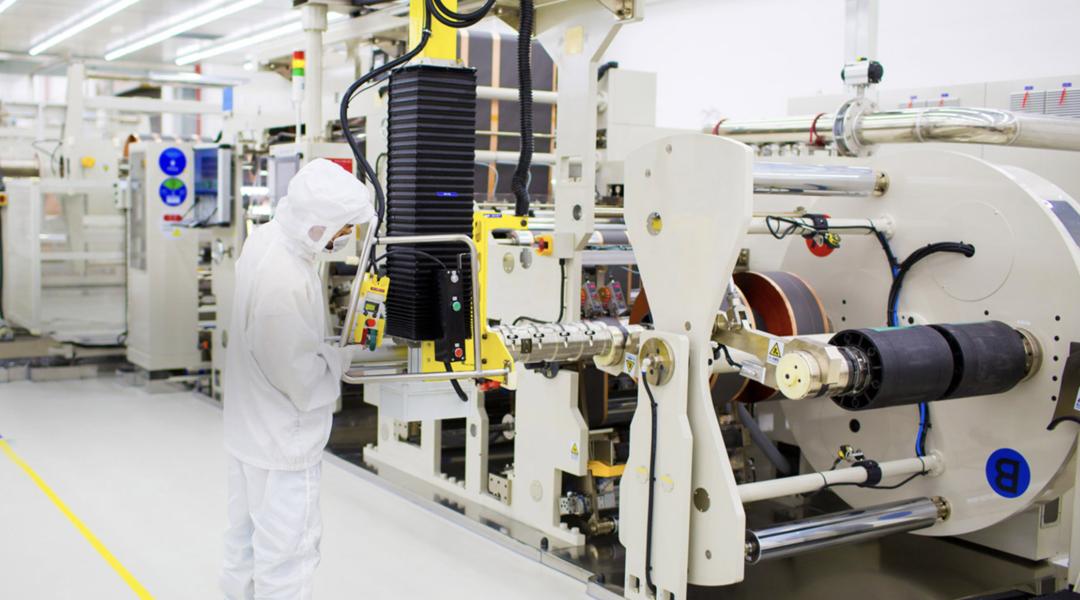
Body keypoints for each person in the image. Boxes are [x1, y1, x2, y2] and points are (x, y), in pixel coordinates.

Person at [221, 158, 373, 599]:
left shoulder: (267, 239)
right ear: (318, 223)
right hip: (281, 440)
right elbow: (297, 375)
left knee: (242, 545)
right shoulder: (285, 277)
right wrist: (341, 359)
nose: (346, 236)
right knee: (288, 557)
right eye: (343, 228)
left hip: (248, 430)